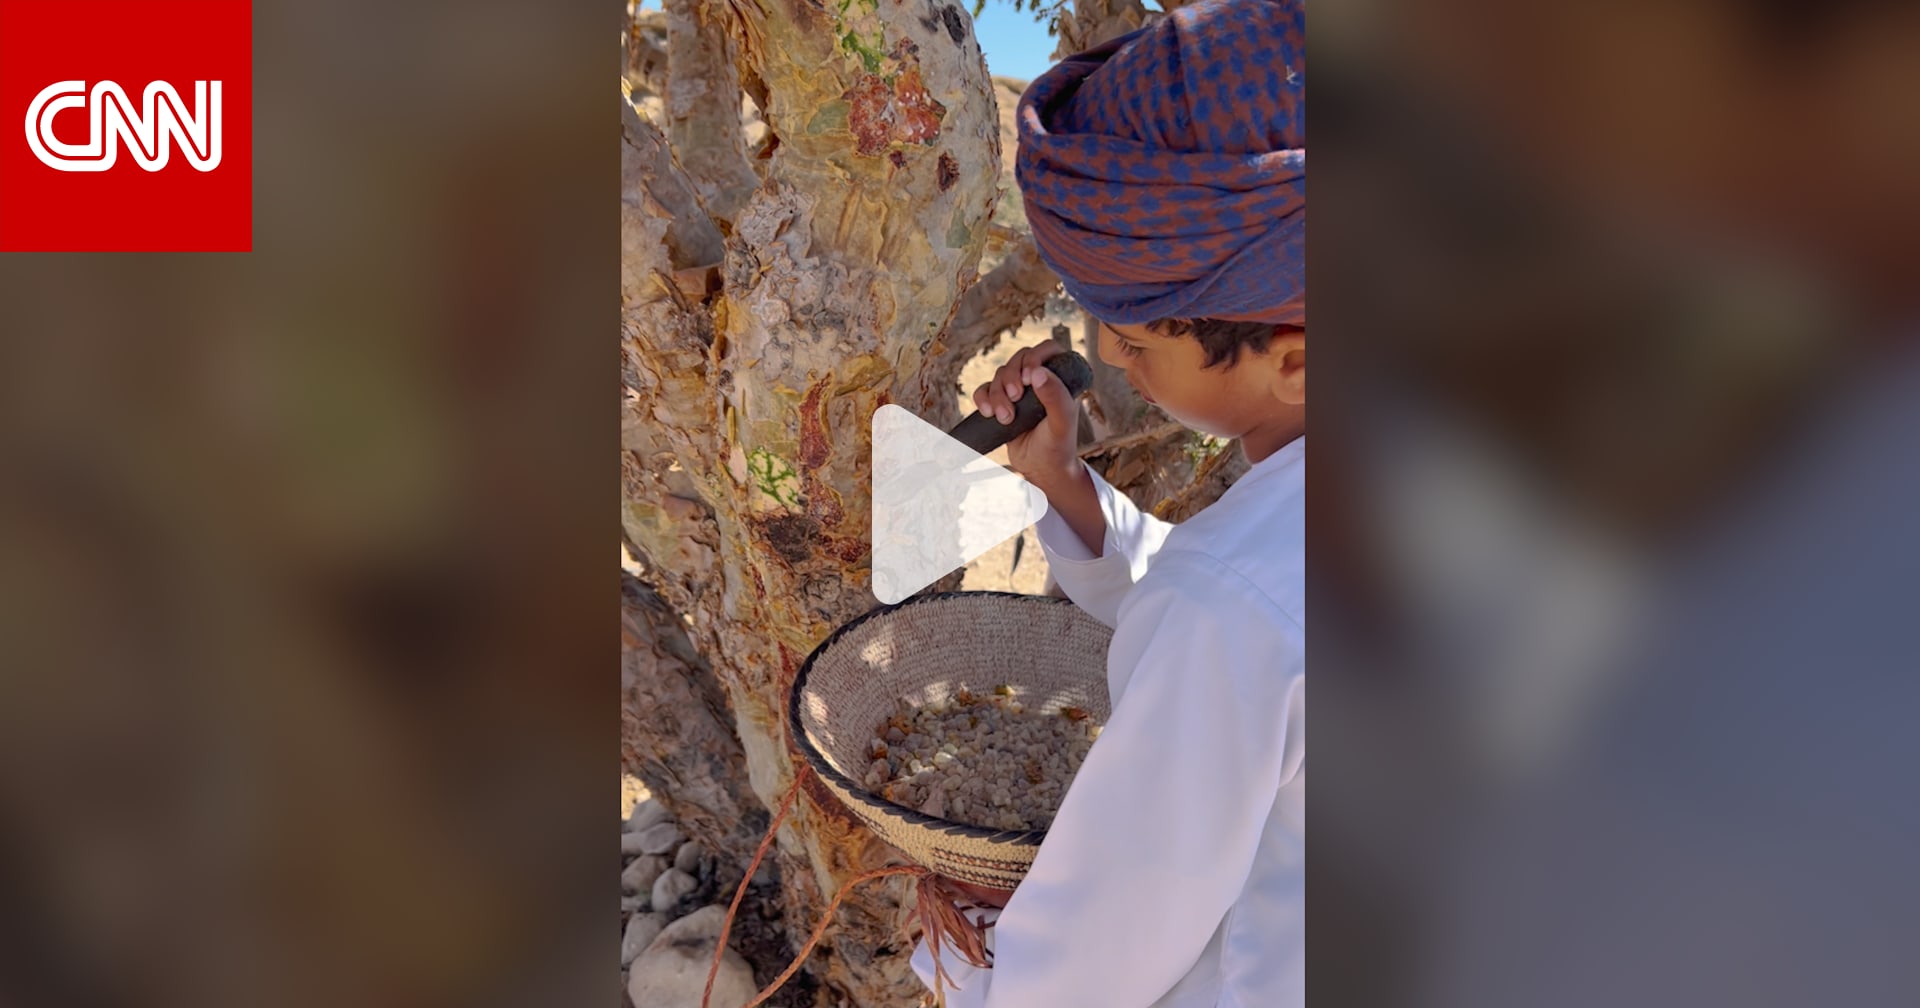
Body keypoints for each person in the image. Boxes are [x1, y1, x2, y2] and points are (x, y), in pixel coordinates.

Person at [910, 1, 1306, 1005]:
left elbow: (1082, 974)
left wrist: (970, 957)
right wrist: (1064, 484)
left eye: (1135, 346)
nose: (1113, 363)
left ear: (1292, 360)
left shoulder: (1231, 613)